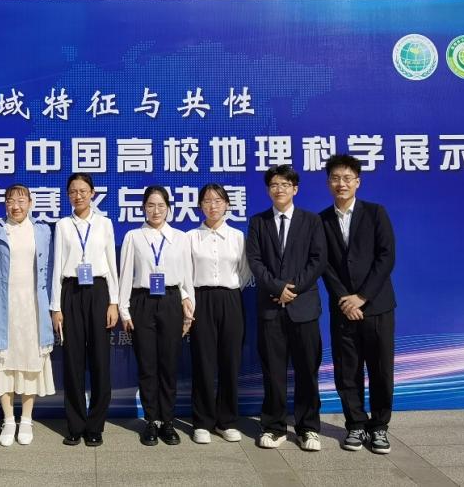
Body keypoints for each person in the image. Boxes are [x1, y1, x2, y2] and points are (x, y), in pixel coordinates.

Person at [319, 154, 396, 455]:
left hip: (376, 307)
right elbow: (324, 265)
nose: (341, 183)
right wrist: (345, 299)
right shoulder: (321, 220)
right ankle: (355, 424)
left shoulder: (376, 213)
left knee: (380, 369)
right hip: (343, 309)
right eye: (336, 178)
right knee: (347, 370)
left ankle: (379, 427)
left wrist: (362, 297)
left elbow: (386, 257)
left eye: (347, 178)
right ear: (329, 183)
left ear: (357, 182)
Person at [246, 165, 326, 452]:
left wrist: (293, 289)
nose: (279, 189)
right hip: (270, 308)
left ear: (295, 189)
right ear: (268, 190)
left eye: (284, 184)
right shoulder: (258, 222)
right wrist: (277, 288)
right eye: (274, 185)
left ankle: (308, 428)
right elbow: (255, 261)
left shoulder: (311, 221)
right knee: (273, 371)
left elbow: (318, 260)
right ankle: (274, 426)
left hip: (303, 308)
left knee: (307, 370)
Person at [0, 184, 56, 447]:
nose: (16, 206)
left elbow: (50, 272)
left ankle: (26, 419)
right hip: (2, 307)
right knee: (5, 365)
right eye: (11, 201)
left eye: (21, 201)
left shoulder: (42, 231)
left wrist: (53, 307)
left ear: (31, 203)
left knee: (30, 363)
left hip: (32, 307)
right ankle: (9, 419)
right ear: (5, 204)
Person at [119, 185, 195, 447]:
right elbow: (125, 275)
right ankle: (151, 421)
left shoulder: (180, 238)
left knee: (169, 365)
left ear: (168, 208)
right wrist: (124, 309)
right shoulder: (133, 236)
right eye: (150, 205)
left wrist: (188, 310)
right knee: (148, 365)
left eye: (161, 205)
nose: (156, 210)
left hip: (172, 301)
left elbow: (186, 277)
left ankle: (168, 422)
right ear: (143, 208)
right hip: (142, 302)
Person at [50, 172, 119, 447]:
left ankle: (95, 426)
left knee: (101, 361)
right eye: (72, 191)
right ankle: (76, 425)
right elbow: (57, 267)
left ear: (92, 193)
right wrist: (56, 307)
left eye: (82, 191)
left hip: (99, 292)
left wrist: (113, 302)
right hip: (71, 291)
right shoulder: (63, 225)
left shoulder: (104, 224)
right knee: (73, 361)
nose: (77, 196)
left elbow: (111, 264)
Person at [186, 183, 251, 444]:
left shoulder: (237, 236)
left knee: (230, 361)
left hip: (230, 299)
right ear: (200, 206)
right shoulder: (191, 237)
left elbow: (244, 272)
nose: (213, 206)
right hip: (201, 299)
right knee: (203, 361)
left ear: (227, 205)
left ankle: (227, 421)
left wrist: (229, 289)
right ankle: (202, 422)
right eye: (207, 201)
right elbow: (186, 273)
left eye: (218, 201)